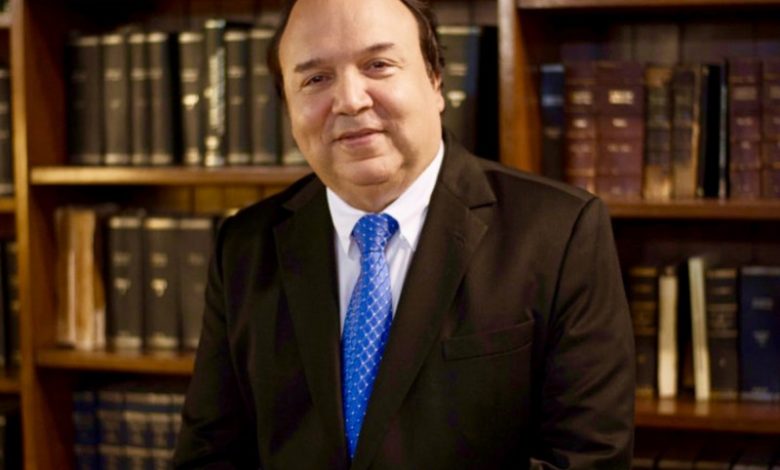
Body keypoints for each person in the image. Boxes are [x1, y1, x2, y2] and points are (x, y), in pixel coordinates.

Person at [173, 0, 635, 467]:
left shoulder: (560, 232)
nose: (350, 100)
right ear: (289, 108)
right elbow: (208, 457)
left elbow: (588, 459)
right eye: (315, 79)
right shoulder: (244, 246)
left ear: (435, 81)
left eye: (378, 65)